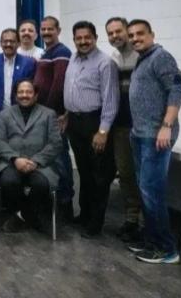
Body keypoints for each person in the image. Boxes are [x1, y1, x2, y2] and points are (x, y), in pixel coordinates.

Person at [127, 19, 181, 264]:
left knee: (152, 192)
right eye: (132, 35)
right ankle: (151, 240)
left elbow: (177, 88)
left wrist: (167, 125)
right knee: (145, 190)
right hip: (140, 134)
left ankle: (167, 249)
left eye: (140, 33)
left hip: (156, 136)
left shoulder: (161, 57)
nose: (135, 38)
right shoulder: (143, 60)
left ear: (152, 34)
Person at [64, 20, 119, 238]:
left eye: (87, 37)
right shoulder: (73, 58)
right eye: (79, 38)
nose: (83, 41)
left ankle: (95, 223)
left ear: (95, 38)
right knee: (84, 172)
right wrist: (67, 114)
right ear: (74, 40)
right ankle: (85, 214)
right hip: (75, 123)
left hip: (95, 123)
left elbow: (110, 100)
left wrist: (103, 131)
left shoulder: (105, 63)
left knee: (99, 176)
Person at [0, 79, 62, 234]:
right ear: (16, 95)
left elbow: (55, 143)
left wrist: (36, 161)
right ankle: (31, 216)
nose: (24, 95)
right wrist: (15, 158)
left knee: (41, 184)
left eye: (29, 92)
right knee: (8, 181)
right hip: (12, 163)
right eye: (21, 92)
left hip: (40, 165)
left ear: (36, 95)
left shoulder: (49, 114)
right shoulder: (5, 114)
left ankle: (22, 216)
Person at [33, 15, 74, 220]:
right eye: (43, 29)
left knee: (60, 161)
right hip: (45, 115)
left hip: (53, 116)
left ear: (58, 30)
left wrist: (48, 112)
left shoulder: (62, 52)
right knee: (50, 160)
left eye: (50, 29)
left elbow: (59, 84)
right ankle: (54, 203)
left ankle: (65, 205)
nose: (46, 32)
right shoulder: (47, 52)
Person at [105, 16, 142, 242]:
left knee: (144, 177)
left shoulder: (144, 54)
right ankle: (132, 221)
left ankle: (148, 224)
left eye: (118, 31)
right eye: (110, 33)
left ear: (127, 30)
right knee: (126, 175)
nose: (115, 36)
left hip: (143, 127)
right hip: (120, 126)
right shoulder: (114, 57)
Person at [0, 28, 36, 130]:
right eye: (5, 41)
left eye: (12, 41)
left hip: (21, 115)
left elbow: (31, 91)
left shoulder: (29, 63)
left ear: (18, 43)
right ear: (0, 43)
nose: (8, 44)